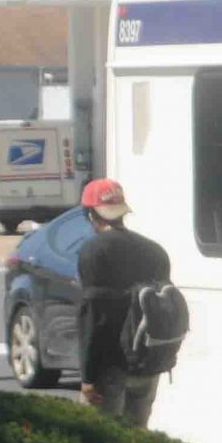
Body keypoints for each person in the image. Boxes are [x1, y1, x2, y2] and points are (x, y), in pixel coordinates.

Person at [76, 177, 173, 425]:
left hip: (110, 367)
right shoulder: (154, 250)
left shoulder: (94, 251)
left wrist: (87, 377)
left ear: (91, 214)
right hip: (148, 363)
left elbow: (94, 317)